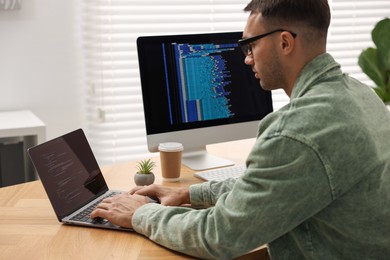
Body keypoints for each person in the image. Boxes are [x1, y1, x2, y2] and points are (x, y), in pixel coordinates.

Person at [91, 0, 390, 259]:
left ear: (285, 42)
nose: (247, 58)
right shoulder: (361, 94)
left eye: (251, 44)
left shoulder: (295, 131)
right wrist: (188, 194)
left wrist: (140, 213)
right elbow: (277, 186)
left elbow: (219, 236)